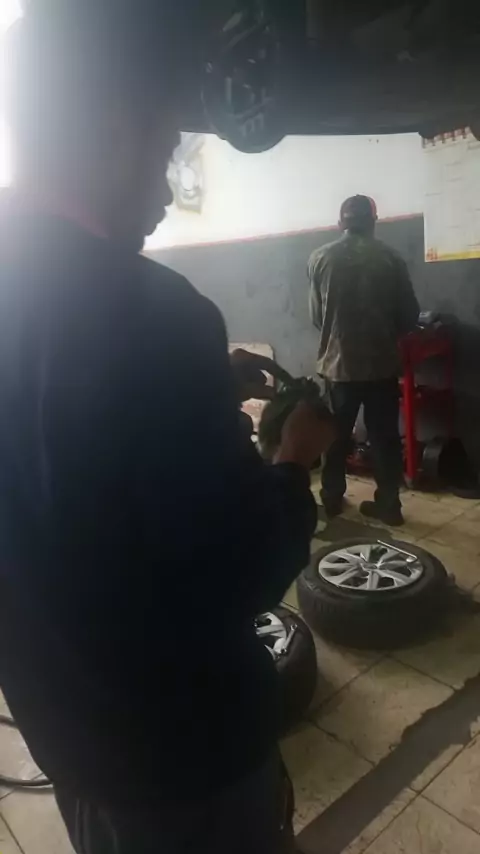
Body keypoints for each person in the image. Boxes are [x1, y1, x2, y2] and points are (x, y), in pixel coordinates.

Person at [0, 3, 334, 853]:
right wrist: (291, 462)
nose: (163, 191)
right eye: (166, 154)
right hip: (185, 762)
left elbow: (57, 439)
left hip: (68, 736)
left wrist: (199, 386)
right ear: (116, 130)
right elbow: (241, 569)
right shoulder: (157, 317)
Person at [308, 195, 419, 526]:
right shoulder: (391, 258)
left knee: (335, 435)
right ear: (373, 222)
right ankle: (389, 505)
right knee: (384, 437)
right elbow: (409, 316)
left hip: (338, 366)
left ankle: (331, 499)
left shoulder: (319, 258)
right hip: (381, 365)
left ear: (340, 223)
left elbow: (316, 317)